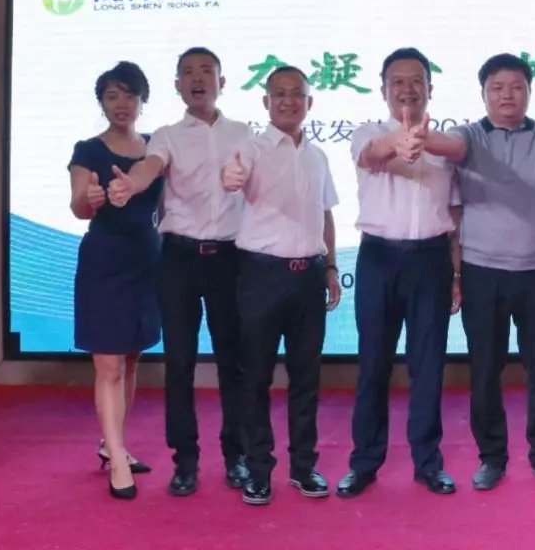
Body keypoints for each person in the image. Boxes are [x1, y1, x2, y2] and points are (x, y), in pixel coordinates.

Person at [421, 52, 535, 492]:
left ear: (529, 92)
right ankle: (491, 458)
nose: (507, 95)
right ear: (483, 93)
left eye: (517, 87)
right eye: (497, 88)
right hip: (483, 273)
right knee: (484, 371)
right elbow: (448, 145)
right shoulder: (469, 136)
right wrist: (422, 137)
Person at [107, 47, 252, 496]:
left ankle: (237, 456)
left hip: (230, 258)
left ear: (221, 82)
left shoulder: (244, 134)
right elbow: (151, 167)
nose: (197, 78)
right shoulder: (168, 136)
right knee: (180, 363)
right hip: (179, 260)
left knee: (233, 363)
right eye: (188, 72)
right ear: (177, 86)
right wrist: (132, 183)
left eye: (206, 71)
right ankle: (185, 461)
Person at [335, 48, 462, 499]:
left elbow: (455, 213)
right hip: (379, 259)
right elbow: (372, 156)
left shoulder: (445, 146)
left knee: (428, 367)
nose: (407, 89)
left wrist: (456, 273)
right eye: (398, 82)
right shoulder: (366, 134)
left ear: (430, 88)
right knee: (373, 364)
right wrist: (400, 143)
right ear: (384, 89)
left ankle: (428, 463)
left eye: (416, 81)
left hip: (431, 260)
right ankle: (364, 462)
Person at [221, 65, 342, 506]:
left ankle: (303, 467)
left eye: (297, 94)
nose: (289, 101)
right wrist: (231, 178)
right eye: (280, 94)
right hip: (261, 276)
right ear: (266, 102)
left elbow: (325, 214)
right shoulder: (250, 149)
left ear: (309, 102)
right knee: (255, 377)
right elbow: (232, 177)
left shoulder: (318, 156)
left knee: (306, 378)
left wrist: (331, 267)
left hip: (309, 276)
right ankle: (258, 471)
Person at [67, 61, 164, 500]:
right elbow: (78, 206)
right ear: (101, 103)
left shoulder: (155, 149)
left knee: (131, 357)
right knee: (108, 365)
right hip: (104, 262)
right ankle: (119, 461)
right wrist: (89, 199)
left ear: (143, 100)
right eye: (112, 96)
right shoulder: (88, 150)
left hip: (147, 260)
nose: (121, 104)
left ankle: (112, 445)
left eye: (129, 95)